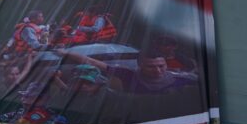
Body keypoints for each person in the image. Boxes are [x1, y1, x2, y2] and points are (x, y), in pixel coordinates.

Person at [57, 48, 198, 94]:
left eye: (161, 66)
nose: (158, 70)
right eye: (151, 66)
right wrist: (65, 53)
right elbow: (92, 62)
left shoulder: (182, 79)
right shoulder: (127, 75)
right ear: (140, 66)